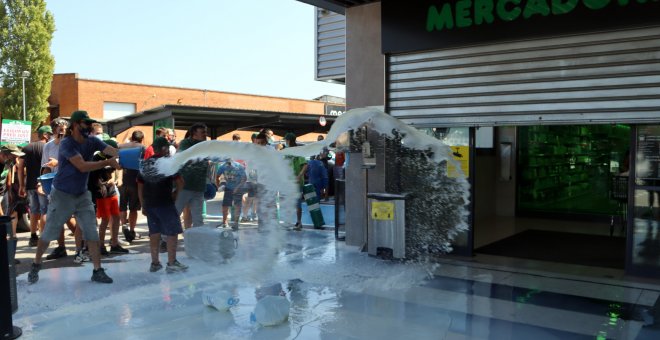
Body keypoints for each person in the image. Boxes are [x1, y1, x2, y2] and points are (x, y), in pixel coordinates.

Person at [28, 110, 120, 284]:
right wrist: (107, 162)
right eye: (86, 123)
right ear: (76, 125)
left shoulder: (92, 140)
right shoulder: (67, 144)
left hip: (82, 194)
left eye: (91, 124)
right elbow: (82, 166)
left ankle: (97, 270)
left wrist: (120, 153)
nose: (90, 126)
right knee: (49, 232)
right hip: (62, 195)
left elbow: (110, 149)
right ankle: (36, 264)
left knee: (91, 231)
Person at [138, 137, 188, 273]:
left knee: (154, 232)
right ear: (165, 148)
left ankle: (155, 263)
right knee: (172, 232)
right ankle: (172, 262)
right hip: (165, 203)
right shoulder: (168, 163)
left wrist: (143, 204)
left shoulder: (145, 164)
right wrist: (176, 195)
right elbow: (181, 183)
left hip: (150, 204)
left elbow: (140, 186)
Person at [40, 118, 81, 260]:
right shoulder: (48, 146)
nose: (63, 132)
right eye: (60, 130)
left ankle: (83, 243)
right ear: (53, 131)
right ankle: (61, 247)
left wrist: (58, 162)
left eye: (64, 129)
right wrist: (41, 183)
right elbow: (45, 166)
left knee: (68, 216)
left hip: (71, 183)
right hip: (54, 184)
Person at [89, 139, 128, 256]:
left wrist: (114, 179)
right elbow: (92, 177)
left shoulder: (113, 158)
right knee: (105, 220)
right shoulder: (96, 158)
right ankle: (101, 245)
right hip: (102, 194)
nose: (116, 152)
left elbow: (115, 171)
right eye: (113, 150)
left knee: (116, 217)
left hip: (111, 191)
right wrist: (101, 183)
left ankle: (114, 244)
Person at [17, 125, 53, 246]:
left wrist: (22, 185)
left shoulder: (26, 148)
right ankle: (44, 238)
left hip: (30, 185)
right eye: (50, 134)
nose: (51, 136)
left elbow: (20, 168)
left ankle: (33, 237)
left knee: (33, 211)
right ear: (45, 135)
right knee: (45, 210)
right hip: (44, 183)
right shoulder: (48, 147)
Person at [176, 123, 209, 229]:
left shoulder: (205, 145)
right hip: (184, 186)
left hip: (199, 187)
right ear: (194, 133)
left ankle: (197, 240)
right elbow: (184, 157)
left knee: (198, 218)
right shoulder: (186, 143)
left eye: (205, 132)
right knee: (175, 213)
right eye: (203, 132)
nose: (205, 134)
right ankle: (164, 239)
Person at [118, 130, 145, 242]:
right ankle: (132, 230)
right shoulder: (143, 148)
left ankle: (124, 225)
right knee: (134, 208)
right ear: (142, 138)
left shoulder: (122, 146)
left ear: (132, 137)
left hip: (123, 177)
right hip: (136, 180)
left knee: (122, 206)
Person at [0, 144, 25, 238]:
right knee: (2, 216)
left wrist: (9, 189)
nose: (15, 158)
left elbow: (9, 173)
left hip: (4, 191)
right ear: (3, 154)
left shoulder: (9, 161)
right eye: (13, 156)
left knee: (5, 214)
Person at [284, 133, 307, 230]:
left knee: (297, 203)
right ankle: (288, 222)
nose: (286, 142)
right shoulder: (286, 151)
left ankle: (299, 222)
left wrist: (299, 176)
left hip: (297, 182)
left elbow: (305, 165)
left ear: (289, 141)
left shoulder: (299, 151)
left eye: (286, 140)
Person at [216, 159, 246, 230]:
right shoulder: (223, 166)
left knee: (237, 206)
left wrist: (238, 188)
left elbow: (244, 178)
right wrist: (218, 185)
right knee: (225, 205)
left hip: (238, 188)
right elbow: (217, 176)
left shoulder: (239, 167)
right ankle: (224, 222)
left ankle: (236, 223)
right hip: (228, 188)